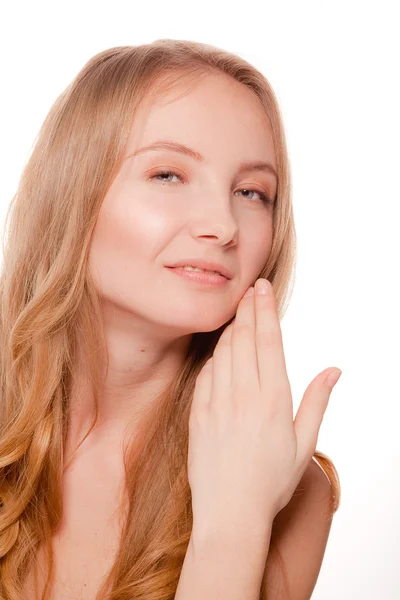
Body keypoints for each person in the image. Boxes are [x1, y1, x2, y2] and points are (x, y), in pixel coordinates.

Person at [0, 39, 342, 600]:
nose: (223, 225)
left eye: (252, 192)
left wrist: (234, 522)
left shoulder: (290, 489)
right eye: (168, 175)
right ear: (72, 193)